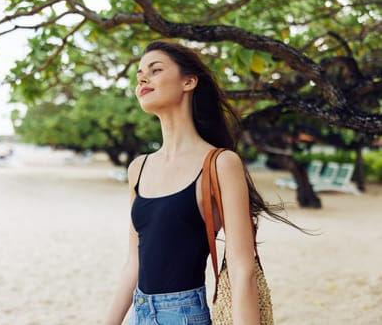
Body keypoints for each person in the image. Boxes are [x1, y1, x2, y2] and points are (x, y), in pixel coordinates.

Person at [104, 41, 290, 324]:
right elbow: (134, 262)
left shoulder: (220, 163)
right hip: (138, 313)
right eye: (140, 74)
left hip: (183, 315)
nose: (142, 78)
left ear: (189, 82)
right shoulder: (138, 168)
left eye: (155, 70)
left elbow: (243, 269)